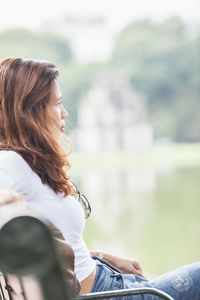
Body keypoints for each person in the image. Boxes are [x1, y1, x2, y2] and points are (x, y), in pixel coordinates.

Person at [0, 57, 199, 300]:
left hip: (110, 282)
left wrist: (101, 256)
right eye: (57, 104)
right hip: (107, 294)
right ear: (30, 111)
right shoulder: (10, 163)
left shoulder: (27, 161)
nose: (64, 113)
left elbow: (59, 249)